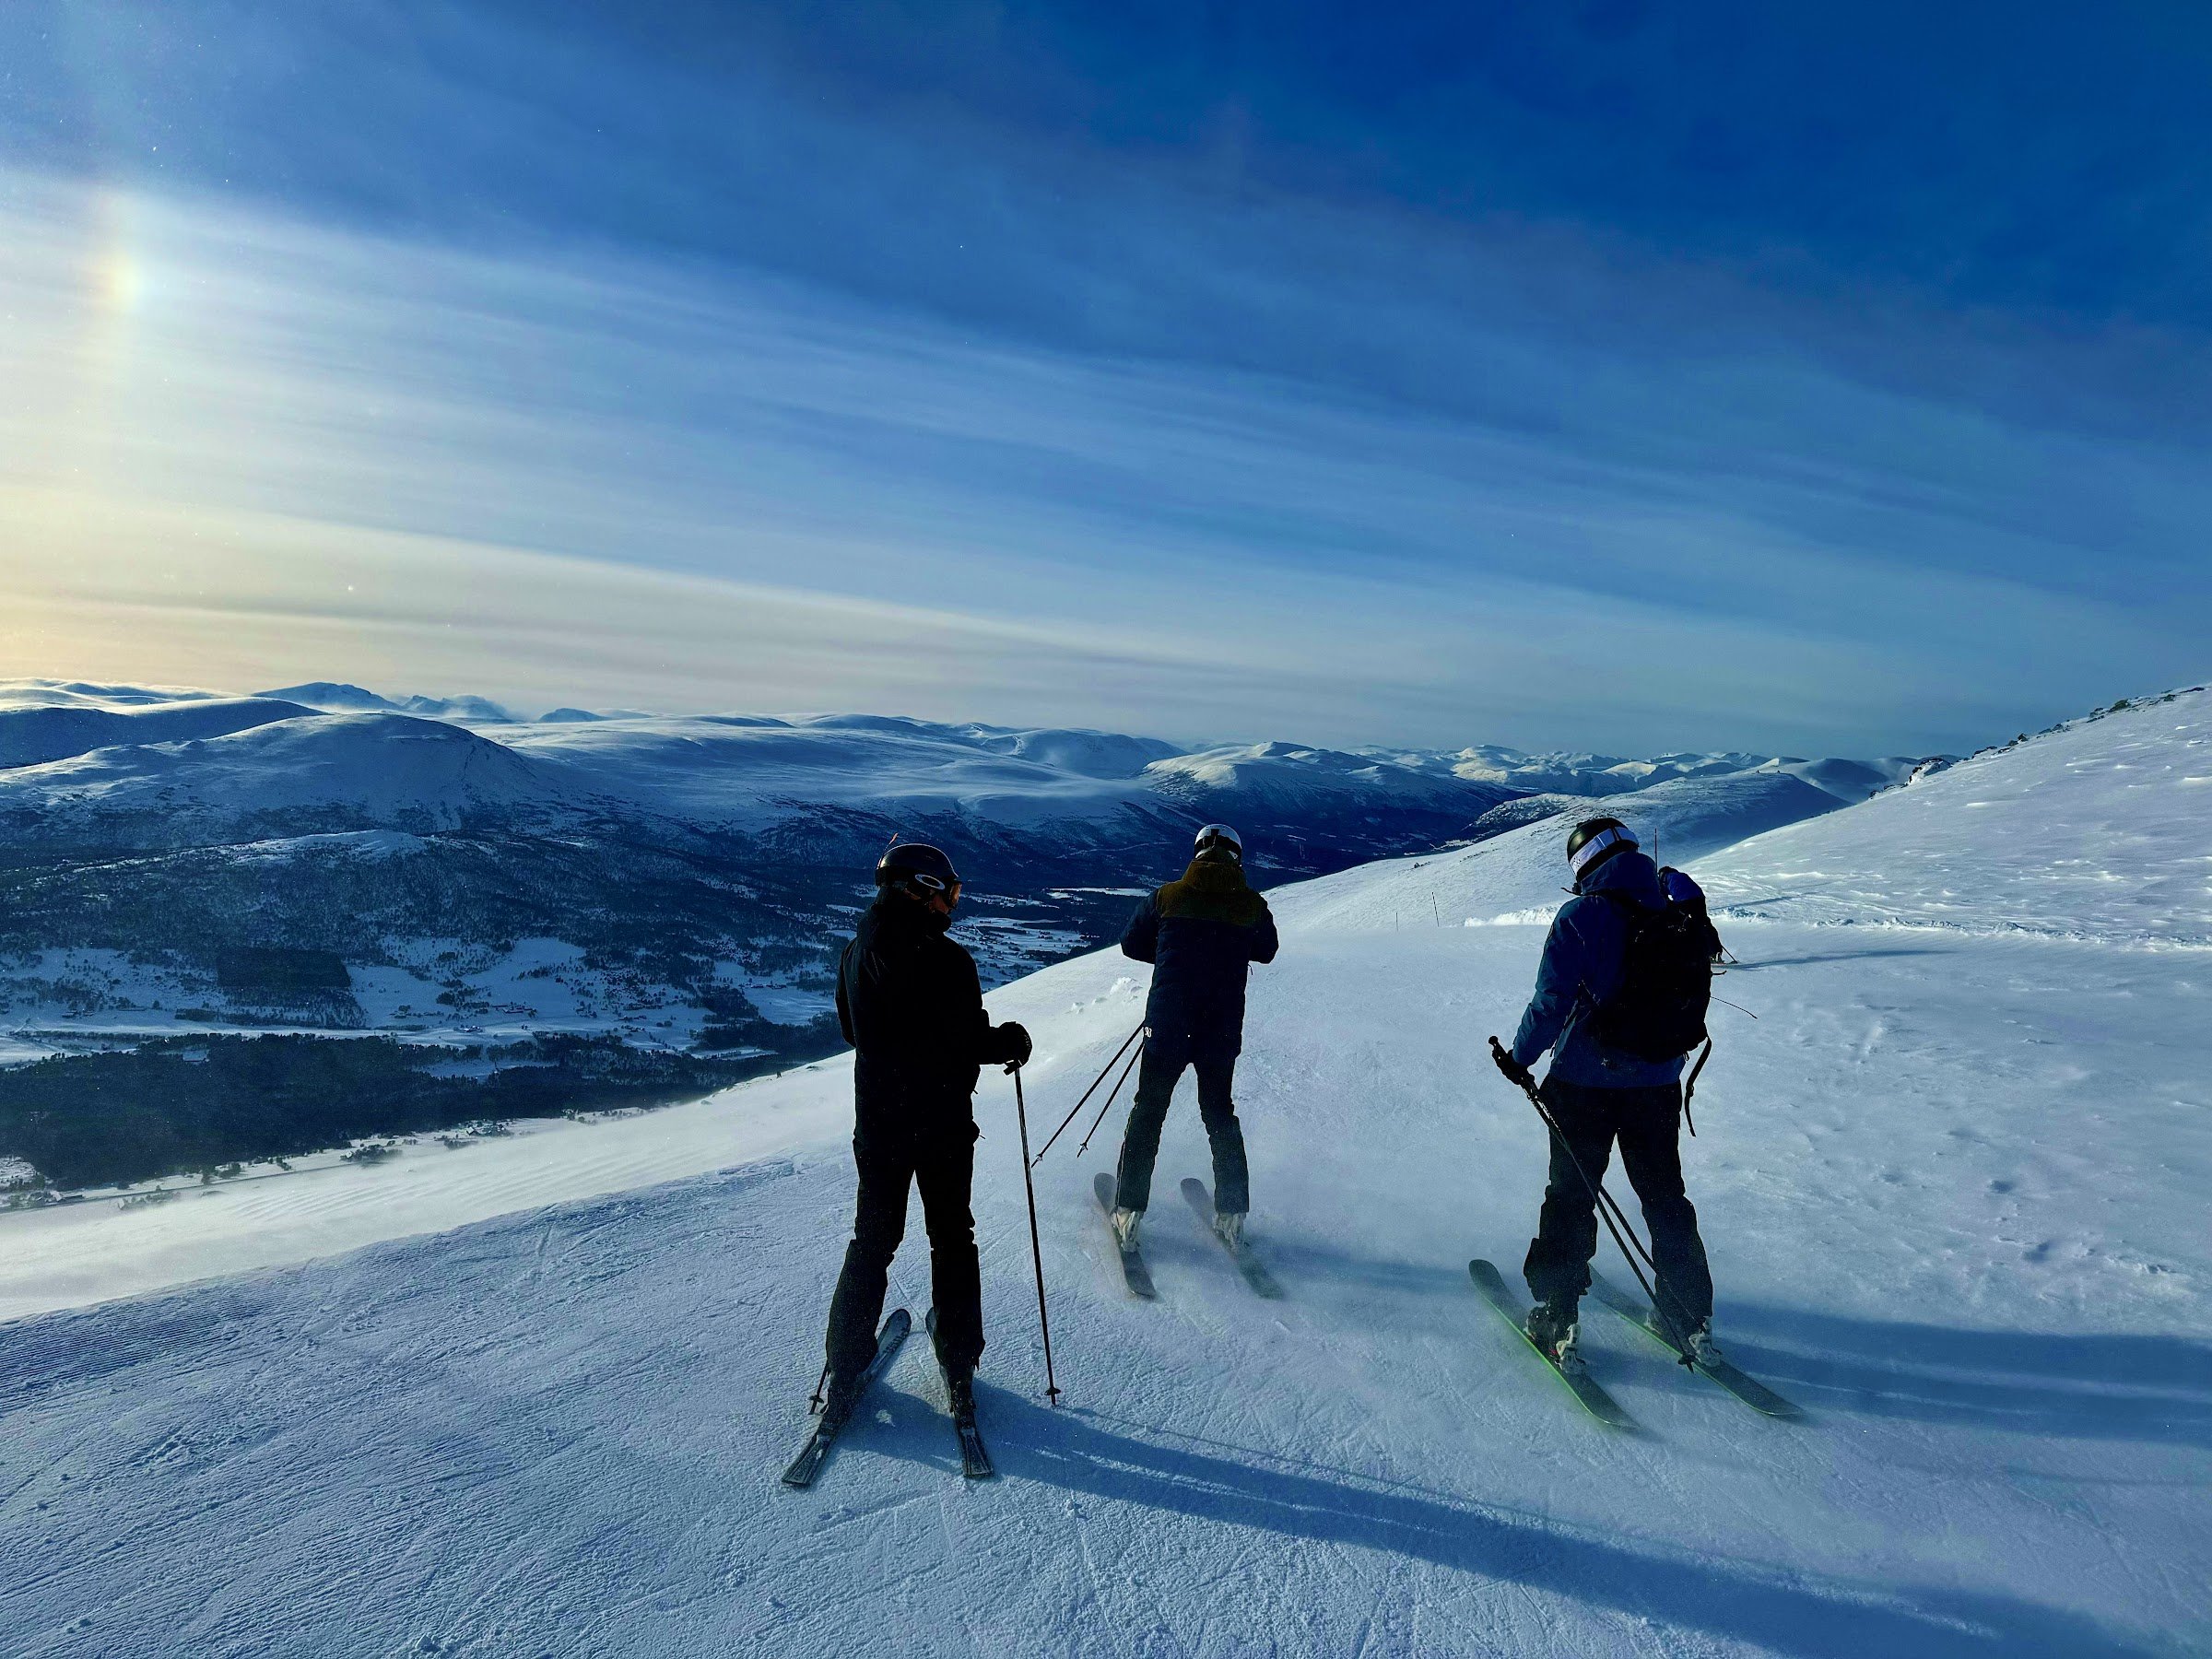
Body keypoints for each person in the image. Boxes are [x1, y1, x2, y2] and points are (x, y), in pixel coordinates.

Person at [1492, 817, 1716, 1375]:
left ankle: (1556, 1313)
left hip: (1584, 1086)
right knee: (1665, 1199)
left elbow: (1551, 1003)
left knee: (1571, 1199)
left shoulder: (1582, 916)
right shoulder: (1672, 910)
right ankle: (1689, 1314)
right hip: (1659, 1084)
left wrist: (1518, 1059)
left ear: (1582, 864)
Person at [818, 842, 1030, 1430]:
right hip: (940, 1125)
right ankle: (959, 1368)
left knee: (872, 1242)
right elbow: (969, 1041)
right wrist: (1011, 1041)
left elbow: (848, 1029)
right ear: (921, 889)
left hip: (880, 1123)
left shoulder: (856, 952)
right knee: (952, 1240)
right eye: (950, 890)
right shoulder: (949, 962)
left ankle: (844, 1366)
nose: (953, 902)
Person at [1110, 823, 1279, 1247]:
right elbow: (1267, 951)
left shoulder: (1167, 896)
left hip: (1167, 1022)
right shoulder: (1251, 905)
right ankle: (1232, 1214)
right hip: (1220, 1028)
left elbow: (1131, 944)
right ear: (1236, 858)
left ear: (1197, 853)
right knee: (1219, 1113)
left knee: (1148, 1110)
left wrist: (1170, 956)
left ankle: (1129, 1211)